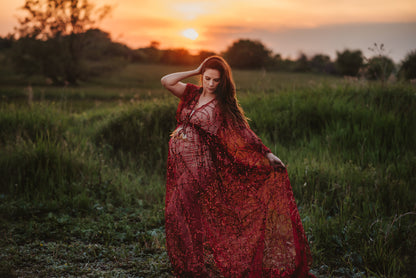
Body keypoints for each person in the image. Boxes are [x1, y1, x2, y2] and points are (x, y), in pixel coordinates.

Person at [161, 56, 314, 277]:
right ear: (201, 77)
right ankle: (195, 265)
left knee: (177, 210)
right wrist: (195, 69)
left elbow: (244, 133)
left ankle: (194, 267)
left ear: (223, 83)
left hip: (201, 166)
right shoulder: (192, 93)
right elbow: (166, 81)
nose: (211, 84)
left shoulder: (222, 105)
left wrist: (267, 154)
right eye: (208, 78)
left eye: (216, 81)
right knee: (188, 213)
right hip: (182, 165)